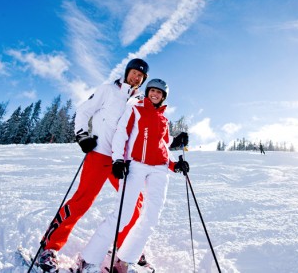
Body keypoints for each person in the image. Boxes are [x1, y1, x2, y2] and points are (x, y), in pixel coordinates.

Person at [38, 59, 188, 272]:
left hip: (124, 161)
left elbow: (147, 134)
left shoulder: (139, 100)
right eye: (134, 73)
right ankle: (49, 248)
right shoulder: (108, 90)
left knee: (134, 206)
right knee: (82, 200)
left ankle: (124, 250)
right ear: (127, 72)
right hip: (100, 153)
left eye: (140, 76)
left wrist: (173, 141)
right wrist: (82, 136)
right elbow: (83, 111)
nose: (136, 78)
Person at [79, 78, 190, 273]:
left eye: (159, 92)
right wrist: (118, 160)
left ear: (164, 97)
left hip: (159, 169)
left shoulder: (164, 119)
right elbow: (122, 133)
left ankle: (125, 260)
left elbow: (163, 146)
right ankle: (88, 260)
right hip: (136, 165)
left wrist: (175, 165)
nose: (155, 94)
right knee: (122, 215)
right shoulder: (136, 109)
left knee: (151, 217)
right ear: (147, 92)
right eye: (152, 91)